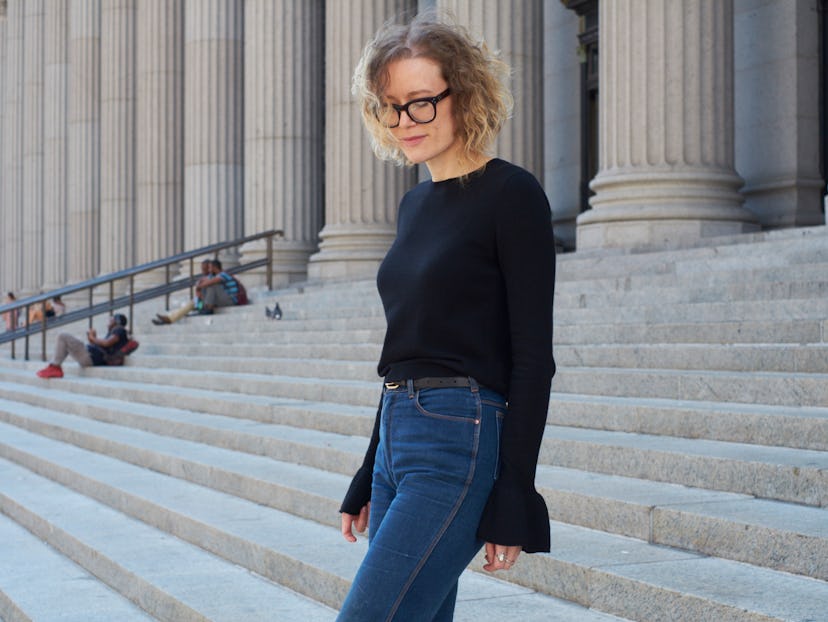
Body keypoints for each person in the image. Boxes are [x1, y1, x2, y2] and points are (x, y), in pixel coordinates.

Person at [336, 13, 556, 622]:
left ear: (465, 95)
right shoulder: (413, 206)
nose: (404, 122)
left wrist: (515, 489)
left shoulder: (511, 195)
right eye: (389, 107)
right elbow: (409, 346)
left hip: (459, 437)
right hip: (397, 436)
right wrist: (366, 468)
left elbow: (534, 358)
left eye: (421, 102)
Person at [36, 313, 131, 379]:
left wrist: (93, 338)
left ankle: (55, 367)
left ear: (117, 321)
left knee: (63, 336)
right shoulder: (113, 332)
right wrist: (93, 337)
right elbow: (103, 345)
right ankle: (54, 366)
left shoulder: (119, 330)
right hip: (90, 355)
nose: (109, 320)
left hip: (91, 357)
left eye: (111, 319)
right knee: (65, 340)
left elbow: (107, 343)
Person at [153, 259, 213, 325]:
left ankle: (168, 319)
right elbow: (198, 292)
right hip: (201, 302)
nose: (203, 270)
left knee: (190, 305)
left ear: (209, 268)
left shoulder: (211, 278)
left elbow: (203, 291)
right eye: (202, 268)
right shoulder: (204, 278)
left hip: (207, 303)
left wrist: (199, 292)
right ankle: (166, 320)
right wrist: (198, 293)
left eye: (205, 268)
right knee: (188, 305)